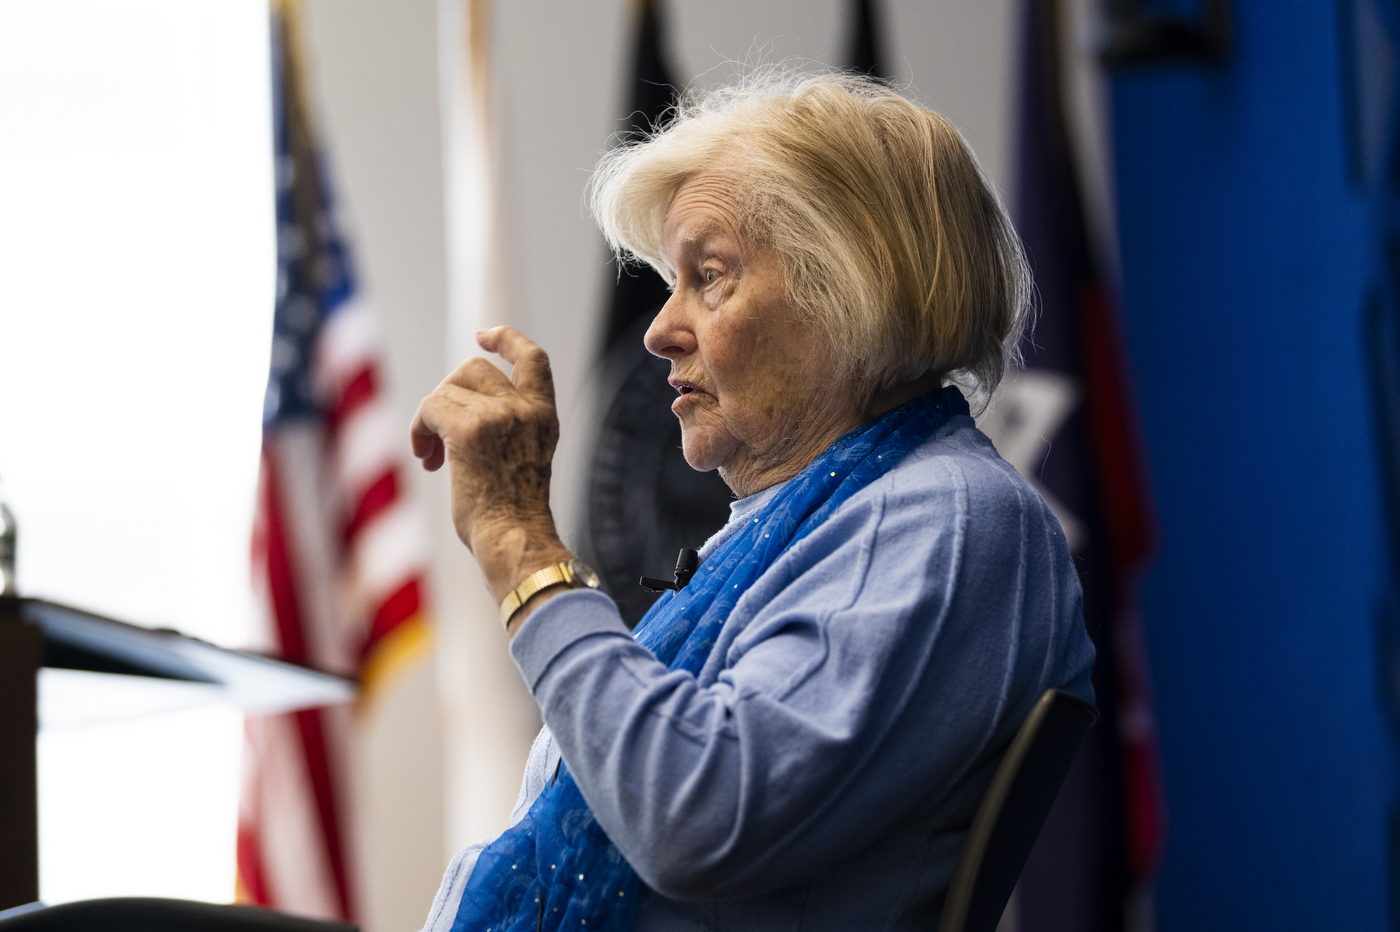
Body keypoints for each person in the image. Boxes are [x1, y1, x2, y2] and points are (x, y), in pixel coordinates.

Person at [411, 70, 1094, 932]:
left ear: (850, 290)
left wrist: (521, 548)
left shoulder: (944, 514)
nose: (659, 329)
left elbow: (694, 816)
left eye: (710, 275)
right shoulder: (817, 521)